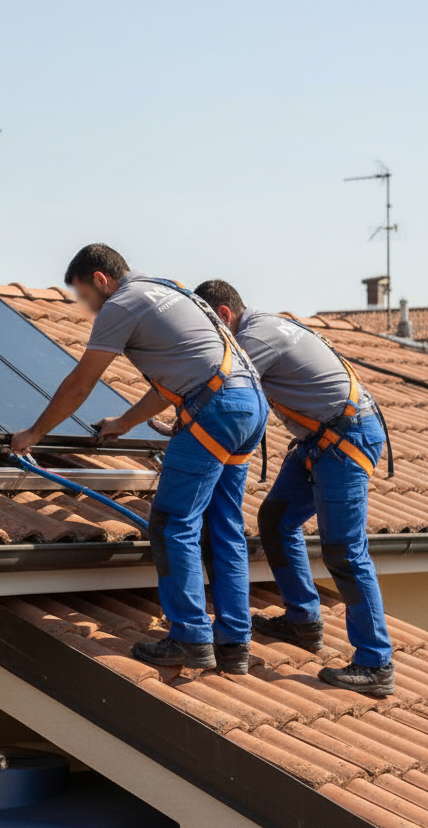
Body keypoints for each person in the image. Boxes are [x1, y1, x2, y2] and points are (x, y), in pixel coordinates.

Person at [11, 245, 268, 674]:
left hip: (215, 411)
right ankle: (233, 645)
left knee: (172, 523)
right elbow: (182, 378)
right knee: (224, 527)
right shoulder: (172, 291)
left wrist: (36, 432)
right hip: (249, 405)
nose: (86, 308)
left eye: (84, 295)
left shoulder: (121, 304)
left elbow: (81, 382)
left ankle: (188, 637)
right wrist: (126, 422)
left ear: (100, 279)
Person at [193, 279, 393, 696]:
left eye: (210, 328)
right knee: (276, 519)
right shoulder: (262, 328)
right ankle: (304, 621)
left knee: (344, 551)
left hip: (345, 441)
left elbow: (226, 389)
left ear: (224, 315)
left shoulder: (254, 338)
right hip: (320, 442)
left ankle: (376, 664)